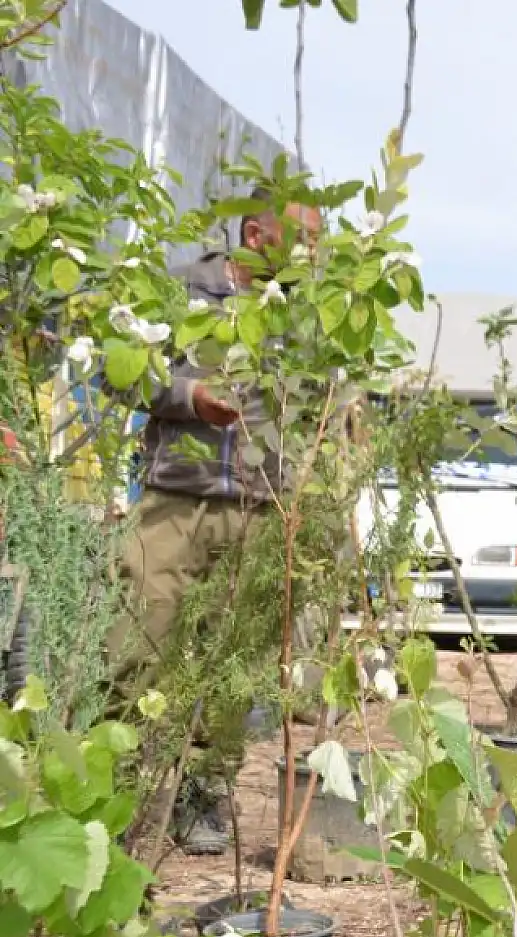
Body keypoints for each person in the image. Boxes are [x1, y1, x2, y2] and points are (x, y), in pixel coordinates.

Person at [106, 188, 322, 855]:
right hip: (175, 501)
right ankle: (119, 790)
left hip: (260, 510)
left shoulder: (305, 316)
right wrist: (189, 398)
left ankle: (201, 796)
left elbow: (317, 405)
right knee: (138, 647)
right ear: (256, 237)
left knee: (236, 670)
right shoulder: (182, 291)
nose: (317, 254)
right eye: (306, 240)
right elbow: (119, 374)